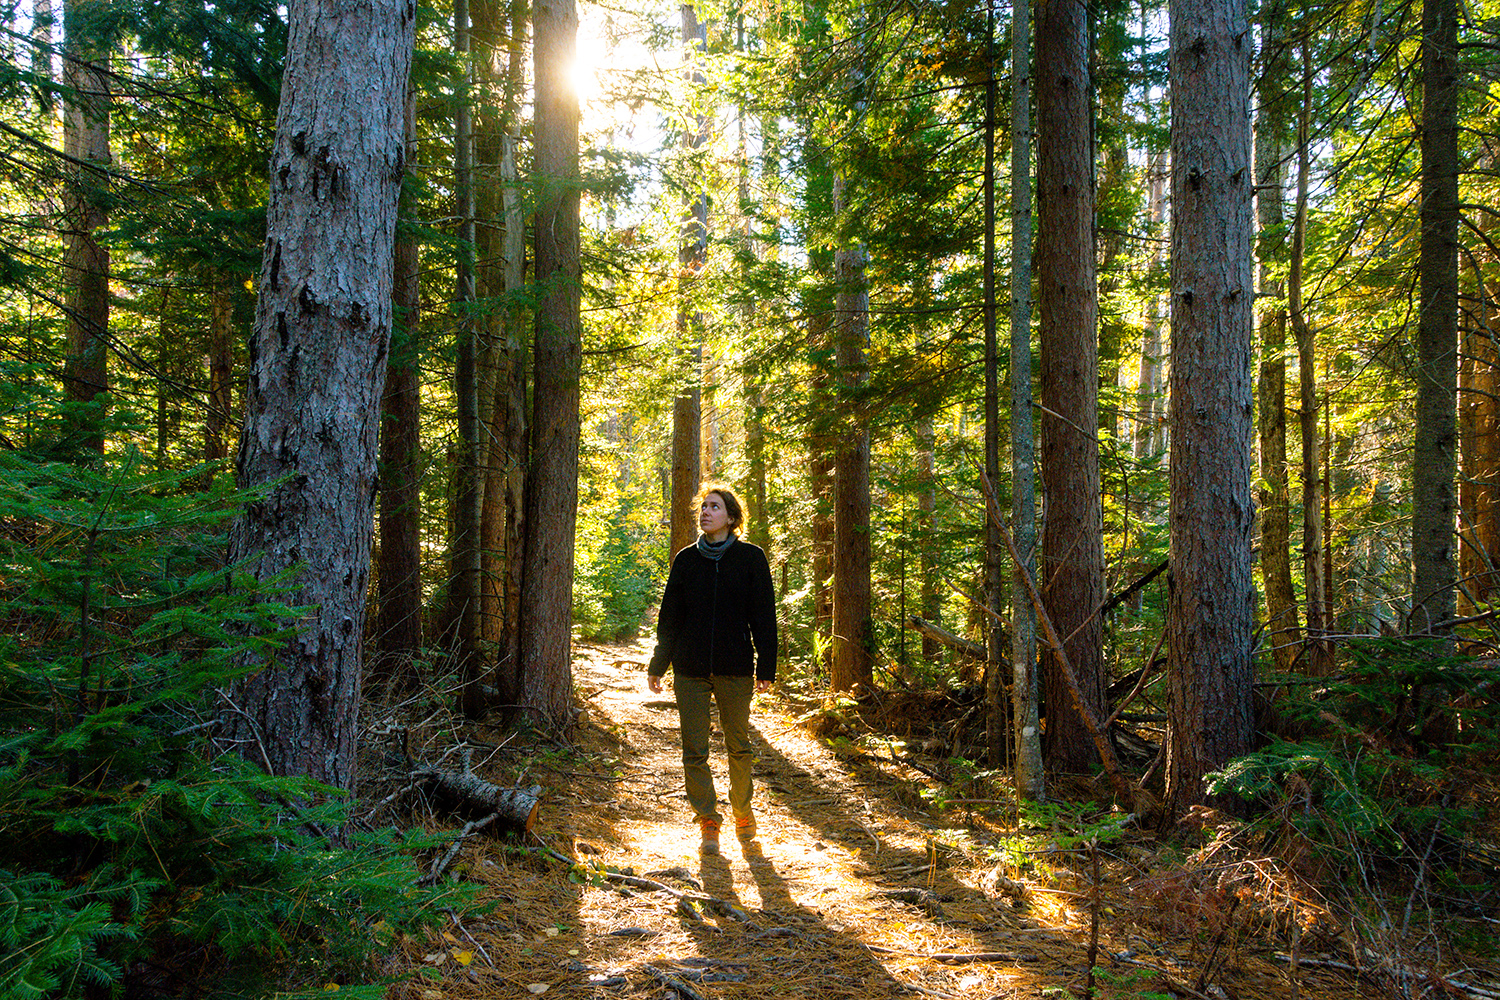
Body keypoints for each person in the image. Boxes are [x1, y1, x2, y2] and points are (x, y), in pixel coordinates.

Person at [647, 483, 777, 854]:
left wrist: (766, 665)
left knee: (739, 746)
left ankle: (742, 810)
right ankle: (708, 820)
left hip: (735, 667)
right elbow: (670, 617)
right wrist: (659, 662)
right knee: (695, 748)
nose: (705, 512)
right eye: (703, 507)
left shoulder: (751, 558)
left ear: (732, 518)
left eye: (714, 507)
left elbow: (764, 617)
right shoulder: (686, 560)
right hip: (689, 668)